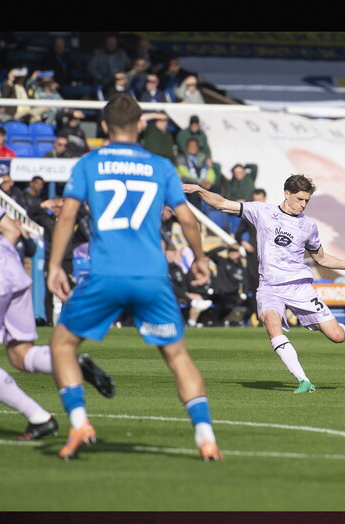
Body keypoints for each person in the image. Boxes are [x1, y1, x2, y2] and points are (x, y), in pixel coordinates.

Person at [46, 93, 222, 461]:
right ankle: (205, 438)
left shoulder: (89, 163)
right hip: (152, 275)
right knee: (177, 356)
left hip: (105, 273)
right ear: (141, 125)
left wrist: (55, 265)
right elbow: (187, 219)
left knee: (62, 345)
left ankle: (79, 423)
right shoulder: (161, 166)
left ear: (105, 127)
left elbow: (66, 216)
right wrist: (201, 258)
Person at [185, 175, 345, 393]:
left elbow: (321, 258)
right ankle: (303, 380)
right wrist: (198, 190)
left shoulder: (308, 226)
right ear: (286, 193)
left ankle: (342, 331)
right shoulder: (262, 211)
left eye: (307, 201)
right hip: (269, 287)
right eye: (299, 199)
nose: (303, 205)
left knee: (335, 337)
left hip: (299, 287)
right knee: (271, 325)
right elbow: (222, 203)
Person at [0, 184, 114, 442]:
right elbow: (12, 230)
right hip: (11, 270)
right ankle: (72, 366)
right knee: (20, 354)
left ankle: (39, 417)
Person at [233, 188, 266, 325]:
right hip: (253, 255)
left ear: (264, 199)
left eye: (259, 200)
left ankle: (276, 317)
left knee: (269, 286)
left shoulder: (272, 214)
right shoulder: (249, 216)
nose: (257, 202)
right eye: (255, 200)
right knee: (256, 287)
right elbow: (238, 235)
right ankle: (260, 318)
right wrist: (244, 243)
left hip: (268, 255)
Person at [207, 245, 248, 326]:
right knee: (222, 305)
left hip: (233, 293)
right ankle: (216, 321)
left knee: (246, 305)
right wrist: (224, 247)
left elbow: (245, 281)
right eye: (231, 252)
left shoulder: (241, 267)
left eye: (235, 252)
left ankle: (235, 322)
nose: (233, 254)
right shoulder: (222, 261)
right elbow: (210, 254)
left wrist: (244, 292)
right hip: (220, 292)